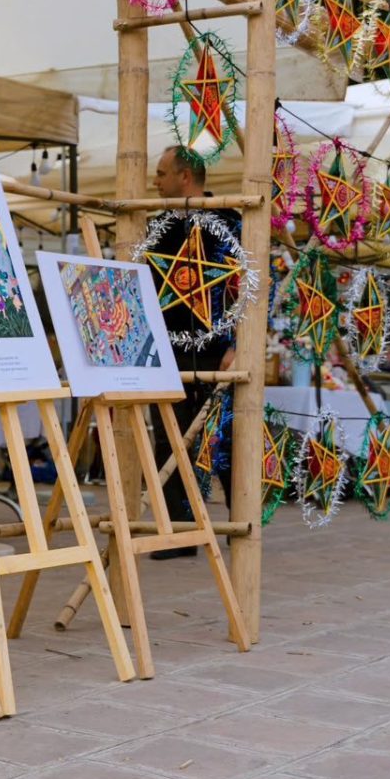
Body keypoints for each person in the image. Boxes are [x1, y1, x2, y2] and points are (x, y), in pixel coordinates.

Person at [148, 146, 239, 558]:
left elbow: (250, 285)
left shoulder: (229, 221)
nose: (155, 181)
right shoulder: (158, 226)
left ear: (185, 177)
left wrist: (238, 343)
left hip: (218, 351)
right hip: (169, 351)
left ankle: (240, 523)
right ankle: (179, 533)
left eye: (162, 172)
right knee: (169, 439)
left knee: (226, 440)